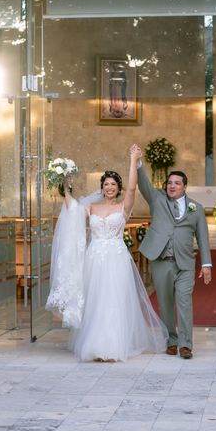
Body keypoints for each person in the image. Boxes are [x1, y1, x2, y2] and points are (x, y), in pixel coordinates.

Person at [47, 149, 168, 362]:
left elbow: (133, 187)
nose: (109, 187)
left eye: (113, 184)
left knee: (114, 300)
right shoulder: (91, 207)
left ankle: (113, 346)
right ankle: (95, 344)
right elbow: (72, 210)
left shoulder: (124, 207)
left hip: (117, 257)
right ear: (101, 188)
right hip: (94, 258)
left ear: (118, 188)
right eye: (106, 184)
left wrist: (133, 160)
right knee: (96, 300)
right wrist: (63, 183)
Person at [135, 144, 212, 360]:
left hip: (186, 263)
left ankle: (186, 345)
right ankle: (171, 340)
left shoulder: (195, 209)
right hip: (161, 261)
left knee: (184, 301)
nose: (171, 186)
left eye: (176, 183)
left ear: (185, 187)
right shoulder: (157, 199)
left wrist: (206, 265)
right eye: (169, 182)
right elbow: (144, 185)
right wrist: (138, 163)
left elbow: (203, 238)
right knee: (166, 304)